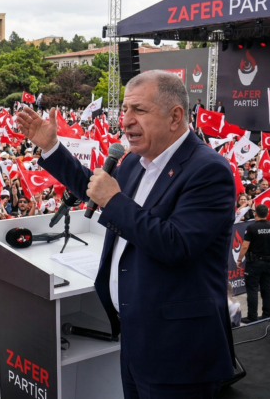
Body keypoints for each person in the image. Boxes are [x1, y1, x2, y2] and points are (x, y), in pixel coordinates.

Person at [18, 70, 234, 396]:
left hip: (179, 350)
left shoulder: (208, 171)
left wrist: (114, 200)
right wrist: (51, 148)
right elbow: (96, 190)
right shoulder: (134, 162)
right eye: (125, 110)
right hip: (135, 338)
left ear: (175, 116)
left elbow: (176, 245)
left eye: (139, 110)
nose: (126, 121)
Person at [236, 204, 270, 323]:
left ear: (255, 214)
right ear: (267, 214)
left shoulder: (251, 227)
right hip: (269, 262)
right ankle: (267, 315)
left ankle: (252, 316)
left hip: (254, 263)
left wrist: (239, 259)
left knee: (252, 290)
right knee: (266, 289)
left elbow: (245, 245)